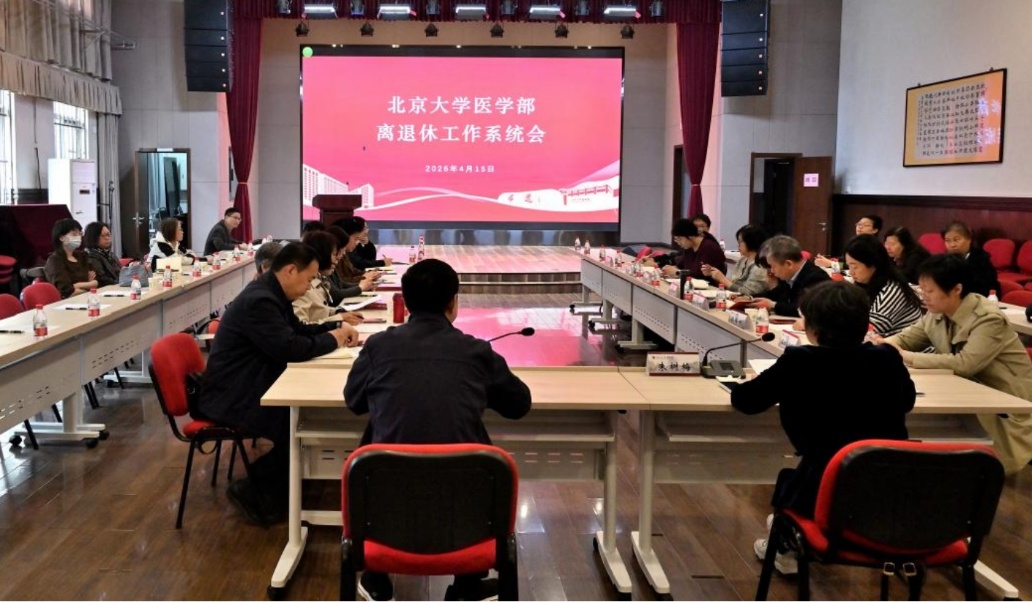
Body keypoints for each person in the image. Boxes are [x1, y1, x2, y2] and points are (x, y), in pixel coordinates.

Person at [344, 258, 532, 602]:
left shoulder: (378, 347)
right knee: (470, 452)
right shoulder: (476, 351)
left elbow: (353, 401)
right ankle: (467, 586)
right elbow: (519, 405)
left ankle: (377, 579)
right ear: (453, 302)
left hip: (386, 508)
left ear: (406, 302)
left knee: (377, 437)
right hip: (467, 516)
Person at [732, 281, 915, 575]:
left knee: (804, 479)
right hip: (889, 494)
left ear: (812, 329)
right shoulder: (886, 358)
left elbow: (747, 401)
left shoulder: (800, 360)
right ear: (864, 324)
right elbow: (907, 402)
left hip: (820, 486)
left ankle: (788, 540)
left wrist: (748, 383)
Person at [199, 242, 360, 524]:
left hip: (251, 381)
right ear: (290, 271)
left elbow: (297, 331)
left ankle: (283, 487)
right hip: (232, 393)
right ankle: (253, 487)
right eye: (308, 279)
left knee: (304, 417)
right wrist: (333, 339)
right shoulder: (260, 301)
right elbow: (289, 348)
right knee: (297, 423)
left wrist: (334, 326)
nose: (309, 287)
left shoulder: (272, 293)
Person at [880, 254, 1032, 474]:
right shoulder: (937, 312)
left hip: (1005, 404)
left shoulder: (988, 318)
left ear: (956, 289)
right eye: (922, 289)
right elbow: (906, 338)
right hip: (969, 390)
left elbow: (965, 364)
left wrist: (905, 356)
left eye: (930, 291)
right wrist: (883, 346)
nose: (924, 296)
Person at [843, 235, 923, 336]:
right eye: (849, 266)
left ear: (873, 264)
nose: (851, 272)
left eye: (855, 267)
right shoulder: (864, 283)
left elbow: (869, 329)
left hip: (903, 343)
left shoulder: (892, 290)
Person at [292, 230, 363, 326]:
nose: (336, 259)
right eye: (334, 254)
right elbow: (302, 327)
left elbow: (321, 310)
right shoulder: (301, 286)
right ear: (322, 255)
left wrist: (338, 312)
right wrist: (338, 319)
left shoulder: (319, 279)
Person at [753, 235, 830, 317]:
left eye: (773, 266)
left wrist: (772, 305)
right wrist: (750, 299)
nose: (772, 271)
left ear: (788, 264)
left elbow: (802, 310)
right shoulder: (789, 275)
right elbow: (775, 294)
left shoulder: (815, 277)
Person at [701, 224, 771, 296]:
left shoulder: (760, 266)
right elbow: (732, 284)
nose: (738, 245)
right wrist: (714, 274)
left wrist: (723, 279)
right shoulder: (742, 260)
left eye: (740, 242)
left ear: (750, 242)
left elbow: (748, 293)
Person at [647, 218, 726, 281]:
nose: (678, 243)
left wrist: (677, 272)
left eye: (679, 239)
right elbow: (680, 265)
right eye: (676, 240)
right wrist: (668, 268)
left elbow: (701, 276)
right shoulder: (689, 247)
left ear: (689, 235)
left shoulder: (708, 247)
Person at [942, 220, 1000, 297]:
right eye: (947, 241)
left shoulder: (981, 260)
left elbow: (984, 287)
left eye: (956, 240)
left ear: (969, 239)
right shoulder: (945, 261)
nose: (952, 245)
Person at [44, 218, 98, 298]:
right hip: (68, 302)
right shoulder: (55, 260)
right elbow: (66, 291)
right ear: (61, 238)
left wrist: (77, 285)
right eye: (74, 234)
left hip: (87, 298)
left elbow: (96, 282)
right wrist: (88, 285)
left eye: (80, 233)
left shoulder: (83, 256)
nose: (78, 237)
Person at [815, 214, 882, 268]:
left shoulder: (873, 246)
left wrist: (831, 264)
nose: (860, 227)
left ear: (875, 230)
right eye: (859, 224)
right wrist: (827, 260)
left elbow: (855, 266)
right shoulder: (855, 242)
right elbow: (845, 260)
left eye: (865, 225)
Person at [324, 226, 368, 303]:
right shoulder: (326, 266)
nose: (344, 253)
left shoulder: (333, 262)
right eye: (356, 239)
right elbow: (335, 294)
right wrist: (360, 287)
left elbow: (341, 283)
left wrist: (363, 285)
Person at [335, 219, 383, 287]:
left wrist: (368, 274)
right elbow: (341, 282)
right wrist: (365, 278)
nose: (357, 242)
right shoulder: (338, 254)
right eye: (356, 239)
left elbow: (353, 271)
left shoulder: (345, 252)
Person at [82, 221, 122, 288]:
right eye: (103, 235)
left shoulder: (111, 255)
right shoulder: (91, 256)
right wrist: (122, 282)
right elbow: (103, 280)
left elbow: (120, 273)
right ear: (93, 237)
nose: (107, 238)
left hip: (118, 286)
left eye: (108, 234)